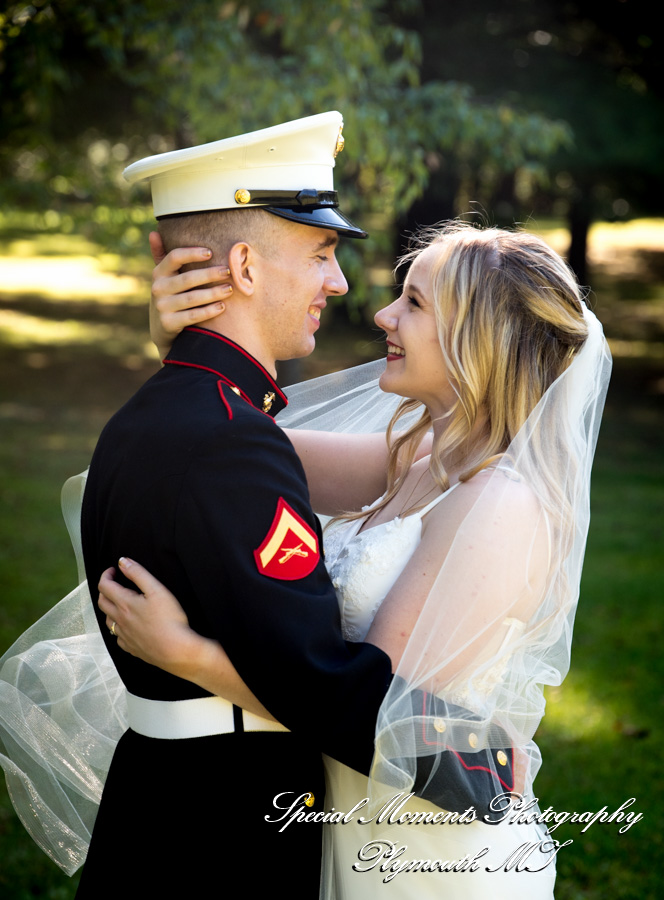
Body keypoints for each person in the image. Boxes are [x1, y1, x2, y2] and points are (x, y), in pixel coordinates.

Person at [0, 114, 510, 892]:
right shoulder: (231, 441)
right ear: (244, 265)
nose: (340, 285)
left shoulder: (160, 414)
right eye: (321, 253)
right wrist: (479, 767)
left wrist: (179, 347)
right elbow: (312, 676)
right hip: (226, 832)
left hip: (160, 800)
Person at [97, 221, 612, 898]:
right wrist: (189, 347)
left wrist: (191, 657)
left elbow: (377, 714)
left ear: (482, 339)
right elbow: (231, 443)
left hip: (424, 854)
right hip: (351, 814)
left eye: (415, 304)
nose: (382, 316)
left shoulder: (500, 506)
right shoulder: (418, 461)